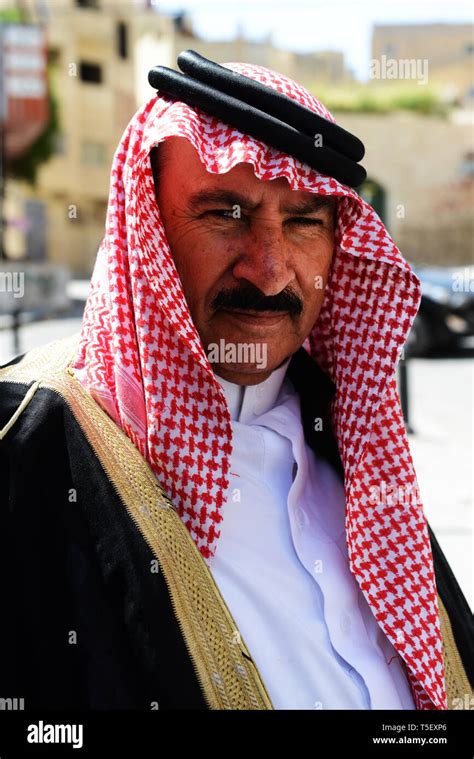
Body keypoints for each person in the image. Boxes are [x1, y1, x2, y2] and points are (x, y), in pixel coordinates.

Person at [0, 53, 472, 711]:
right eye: (227, 213)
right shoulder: (25, 443)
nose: (271, 270)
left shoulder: (352, 445)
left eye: (305, 221)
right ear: (150, 229)